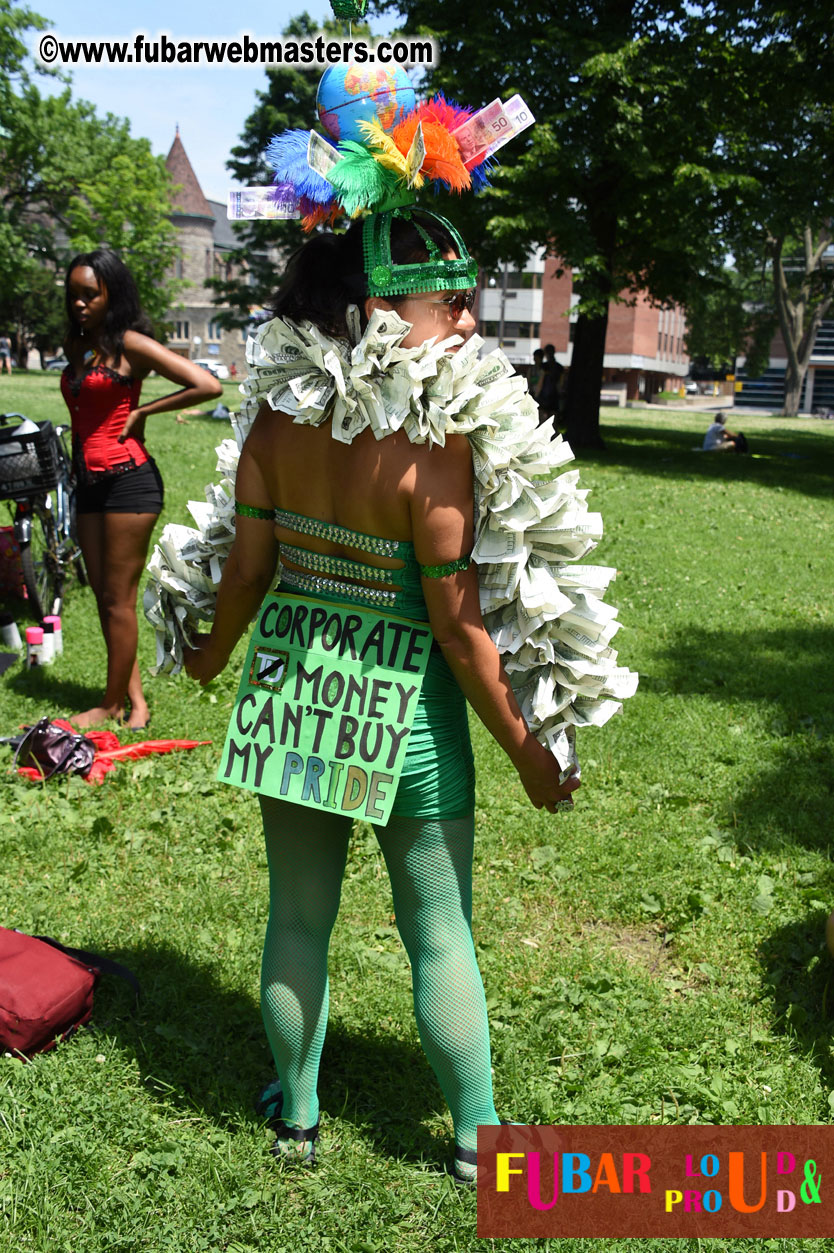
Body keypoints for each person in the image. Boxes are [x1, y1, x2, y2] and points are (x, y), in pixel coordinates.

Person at [183, 212, 581, 1181]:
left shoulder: (274, 422)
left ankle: (299, 1118)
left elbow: (245, 573)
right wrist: (528, 746)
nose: (467, 322)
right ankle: (476, 1136)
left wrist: (207, 658)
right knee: (438, 928)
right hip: (408, 714)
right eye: (446, 303)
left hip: (292, 691)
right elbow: (457, 625)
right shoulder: (434, 445)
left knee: (297, 916)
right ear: (375, 311)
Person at [61, 248, 222, 729]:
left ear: (113, 292)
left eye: (90, 294)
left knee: (118, 597)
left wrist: (143, 411)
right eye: (74, 295)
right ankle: (135, 702)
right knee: (102, 597)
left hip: (128, 482)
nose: (80, 304)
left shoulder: (130, 343)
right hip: (86, 483)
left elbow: (206, 384)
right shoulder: (79, 344)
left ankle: (111, 705)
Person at [538, 343, 564, 426]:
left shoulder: (543, 366)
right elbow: (560, 384)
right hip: (554, 396)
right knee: (553, 423)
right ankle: (554, 438)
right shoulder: (560, 367)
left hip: (543, 396)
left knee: (542, 422)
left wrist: (536, 394)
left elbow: (540, 382)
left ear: (545, 353)